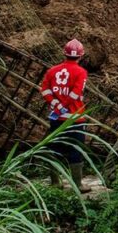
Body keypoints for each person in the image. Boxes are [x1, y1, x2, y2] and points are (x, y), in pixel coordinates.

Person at [40, 39, 90, 191]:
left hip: (57, 118)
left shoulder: (52, 71)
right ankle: (78, 184)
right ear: (81, 56)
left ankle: (56, 182)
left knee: (54, 148)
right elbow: (76, 94)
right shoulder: (81, 72)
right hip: (75, 119)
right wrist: (64, 106)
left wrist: (57, 105)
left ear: (65, 53)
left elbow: (45, 90)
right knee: (76, 149)